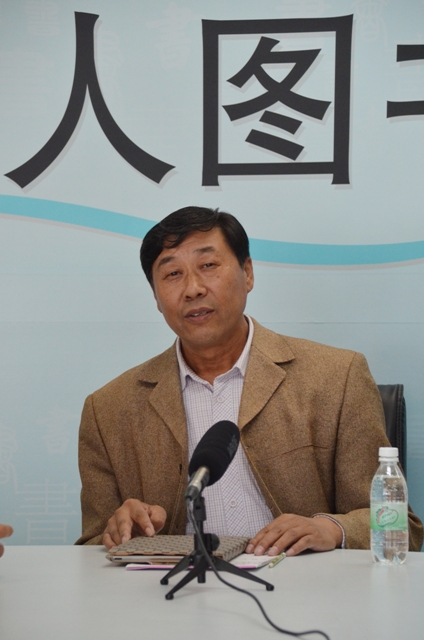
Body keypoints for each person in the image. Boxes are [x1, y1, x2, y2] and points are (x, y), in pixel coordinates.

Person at [77, 207, 423, 555]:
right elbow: (91, 548)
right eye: (172, 274)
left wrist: (330, 529)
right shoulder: (108, 411)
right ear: (155, 297)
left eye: (208, 265)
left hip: (303, 584)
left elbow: (400, 528)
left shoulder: (337, 378)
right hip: (174, 586)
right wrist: (121, 533)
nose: (193, 289)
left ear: (248, 273)